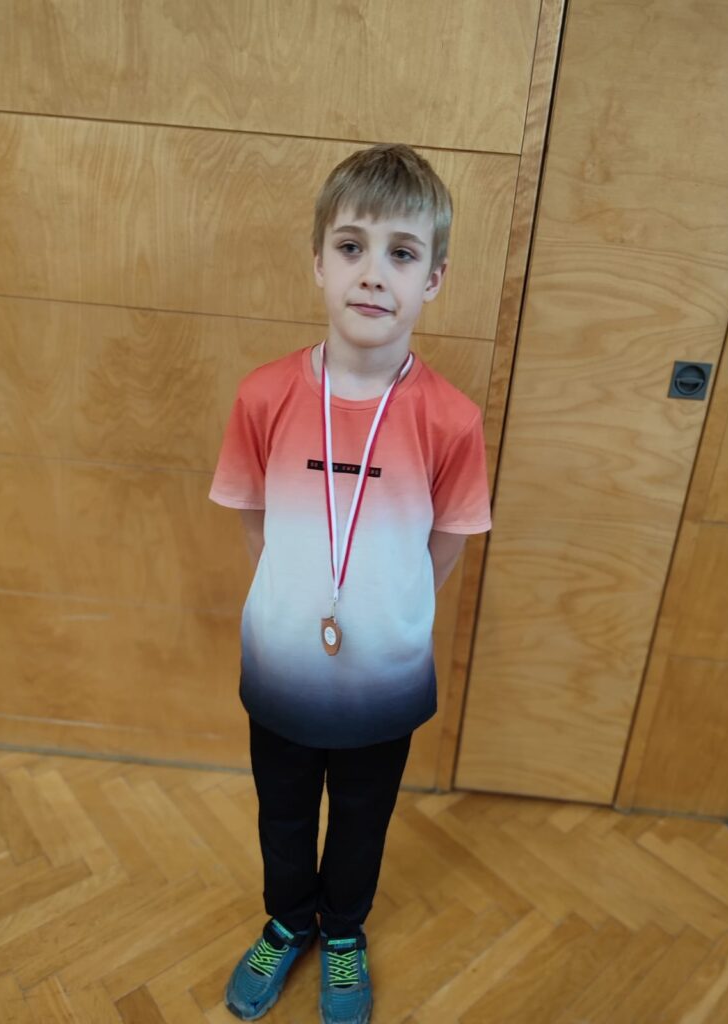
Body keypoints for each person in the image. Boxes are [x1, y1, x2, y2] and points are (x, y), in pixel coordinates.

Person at [209, 143, 492, 1024]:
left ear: (434, 278)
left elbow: (447, 540)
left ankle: (343, 933)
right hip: (283, 660)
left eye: (401, 253)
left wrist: (384, 609)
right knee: (283, 811)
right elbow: (255, 519)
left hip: (384, 673)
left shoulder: (452, 419)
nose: (373, 273)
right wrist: (304, 599)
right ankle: (288, 920)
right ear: (318, 262)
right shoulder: (263, 395)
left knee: (363, 815)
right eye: (351, 247)